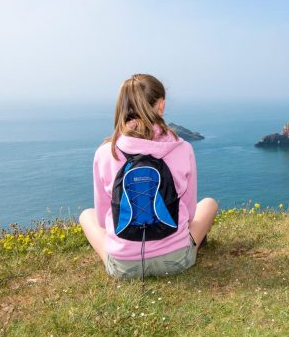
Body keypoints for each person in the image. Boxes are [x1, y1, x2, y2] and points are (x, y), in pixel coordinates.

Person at [78, 73, 217, 280]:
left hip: (124, 268)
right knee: (209, 204)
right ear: (161, 105)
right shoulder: (182, 148)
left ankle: (121, 253)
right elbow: (188, 214)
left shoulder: (106, 152)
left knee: (86, 215)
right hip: (177, 260)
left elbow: (102, 219)